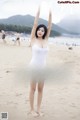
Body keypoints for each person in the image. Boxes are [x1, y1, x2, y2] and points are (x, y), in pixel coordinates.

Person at [29, 6, 52, 117]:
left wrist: (50, 12)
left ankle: (38, 109)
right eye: (39, 29)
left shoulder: (46, 40)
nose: (40, 31)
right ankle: (32, 110)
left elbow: (50, 25)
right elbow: (34, 24)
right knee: (33, 89)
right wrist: (38, 11)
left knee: (40, 90)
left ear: (44, 32)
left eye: (42, 30)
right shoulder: (33, 39)